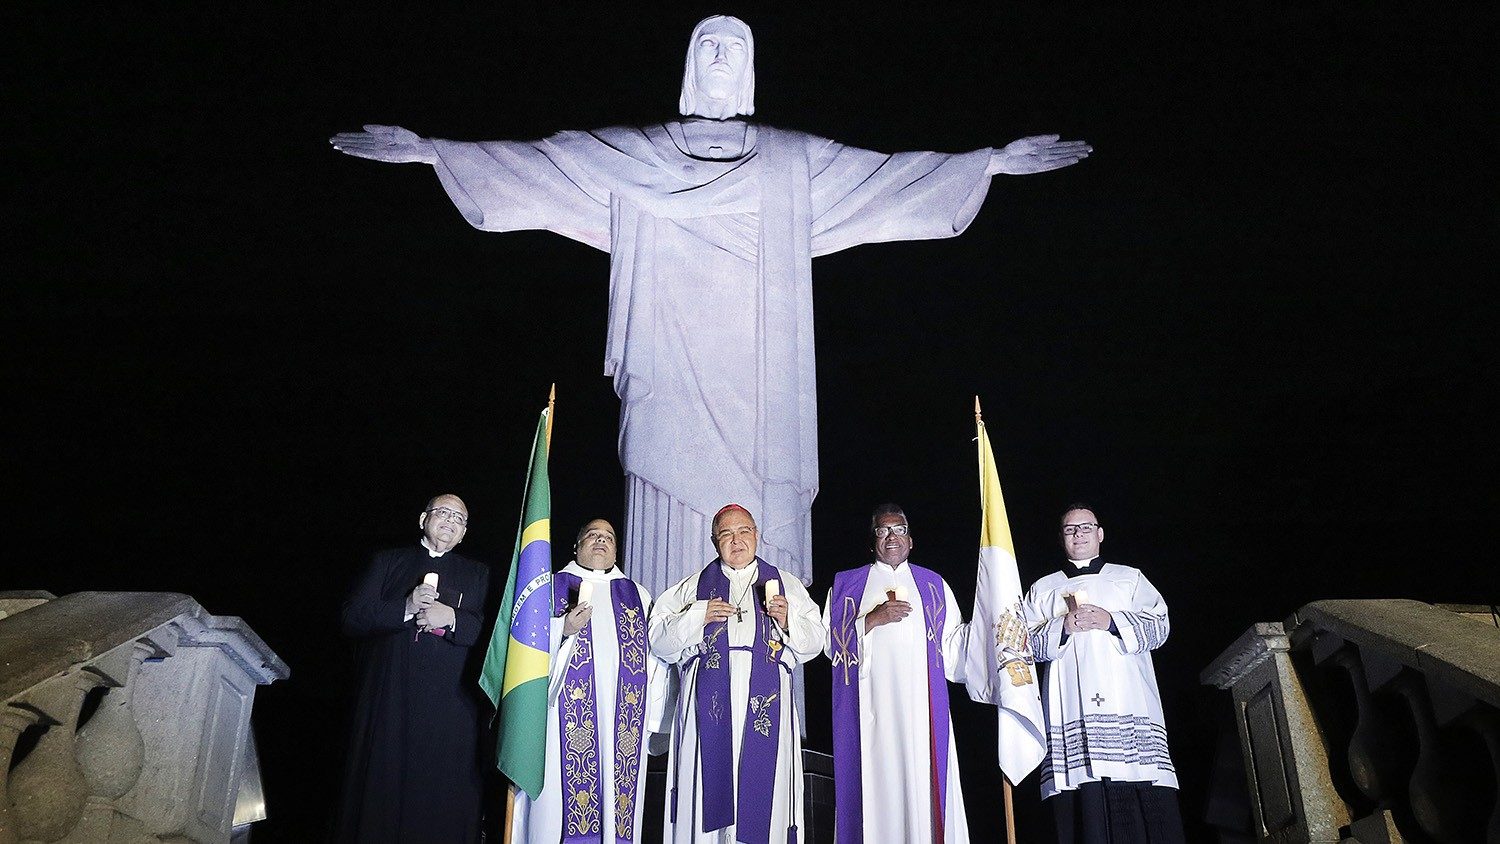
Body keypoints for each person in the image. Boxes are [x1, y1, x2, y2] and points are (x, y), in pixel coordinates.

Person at [329, 15, 1091, 603]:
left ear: (751, 70)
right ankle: (658, 685)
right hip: (670, 370)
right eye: (709, 45)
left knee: (764, 531)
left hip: (761, 384)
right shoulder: (640, 153)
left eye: (735, 46)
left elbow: (886, 180)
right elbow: (542, 163)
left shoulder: (792, 160)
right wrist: (437, 152)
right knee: (666, 515)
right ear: (691, 67)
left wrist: (985, 162)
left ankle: (766, 686)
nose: (722, 57)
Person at [648, 504, 824, 843]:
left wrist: (789, 621)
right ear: (715, 542)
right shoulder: (692, 587)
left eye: (743, 531)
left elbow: (816, 642)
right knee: (705, 794)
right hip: (707, 707)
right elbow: (659, 641)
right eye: (726, 534)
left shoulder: (786, 585)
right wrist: (697, 615)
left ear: (756, 536)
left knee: (761, 797)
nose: (736, 540)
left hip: (766, 703)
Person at [1022, 505, 1186, 843]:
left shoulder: (1129, 578)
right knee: (1085, 810)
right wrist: (1061, 627)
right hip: (1071, 709)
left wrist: (1112, 621)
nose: (1078, 534)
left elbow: (1161, 627)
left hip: (1129, 705)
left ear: (1100, 534)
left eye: (1085, 527)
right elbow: (1022, 646)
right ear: (1061, 538)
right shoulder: (1043, 588)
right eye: (1070, 530)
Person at [336, 494, 492, 843]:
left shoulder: (478, 574)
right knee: (379, 797)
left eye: (459, 518)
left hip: (450, 709)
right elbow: (352, 617)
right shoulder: (387, 562)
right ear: (424, 518)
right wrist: (404, 607)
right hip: (387, 699)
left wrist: (452, 618)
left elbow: (488, 632)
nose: (450, 521)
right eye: (443, 513)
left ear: (464, 533)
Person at [823, 504, 973, 843]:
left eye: (899, 529)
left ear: (911, 539)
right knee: (876, 796)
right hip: (871, 716)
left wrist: (985, 630)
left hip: (922, 716)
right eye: (882, 530)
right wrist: (872, 619)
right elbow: (827, 647)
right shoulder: (847, 585)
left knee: (924, 792)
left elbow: (953, 649)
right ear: (872, 539)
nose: (892, 536)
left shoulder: (933, 585)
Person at [510, 519, 664, 843]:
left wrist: (651, 720)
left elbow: (657, 663)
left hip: (622, 729)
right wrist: (561, 629)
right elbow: (522, 647)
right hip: (557, 723)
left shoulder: (638, 595)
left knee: (615, 808)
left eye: (608, 537)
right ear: (576, 546)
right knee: (554, 810)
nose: (601, 541)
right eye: (592, 535)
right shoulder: (551, 586)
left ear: (616, 550)